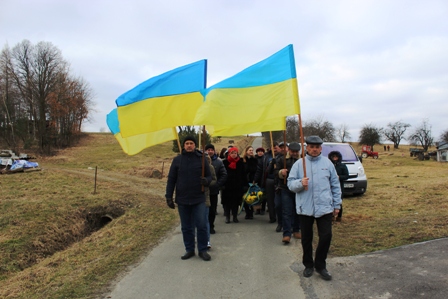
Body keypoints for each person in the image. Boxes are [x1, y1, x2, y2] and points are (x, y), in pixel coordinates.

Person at [287, 136, 342, 281]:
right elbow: (290, 184)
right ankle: (308, 265)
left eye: (317, 147)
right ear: (306, 148)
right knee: (306, 238)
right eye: (311, 146)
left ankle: (320, 265)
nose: (314, 149)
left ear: (321, 148)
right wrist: (300, 182)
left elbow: (335, 185)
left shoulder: (327, 163)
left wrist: (337, 205)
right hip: (305, 208)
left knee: (326, 236)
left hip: (325, 207)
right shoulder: (299, 164)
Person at [165, 135, 213, 261]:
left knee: (201, 225)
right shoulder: (177, 160)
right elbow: (171, 179)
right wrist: (168, 196)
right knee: (186, 227)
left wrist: (205, 181)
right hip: (183, 199)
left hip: (198, 198)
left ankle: (202, 250)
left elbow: (209, 176)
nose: (189, 145)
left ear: (195, 145)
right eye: (187, 143)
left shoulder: (202, 159)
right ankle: (189, 249)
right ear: (184, 145)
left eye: (191, 143)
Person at [274, 142, 302, 244]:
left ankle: (296, 230)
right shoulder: (282, 160)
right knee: (286, 211)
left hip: (298, 189)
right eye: (292, 151)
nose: (294, 153)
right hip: (285, 188)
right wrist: (281, 172)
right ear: (289, 151)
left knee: (298, 210)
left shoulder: (302, 161)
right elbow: (275, 172)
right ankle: (286, 234)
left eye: (296, 151)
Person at [254, 142, 281, 222]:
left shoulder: (282, 156)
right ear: (270, 148)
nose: (275, 148)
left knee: (278, 201)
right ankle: (272, 217)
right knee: (270, 200)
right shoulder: (265, 157)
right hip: (269, 180)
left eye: (276, 147)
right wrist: (255, 180)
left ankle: (280, 218)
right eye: (273, 147)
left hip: (279, 181)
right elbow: (260, 170)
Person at [205, 144, 228, 234]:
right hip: (201, 191)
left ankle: (211, 226)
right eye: (208, 149)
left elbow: (224, 174)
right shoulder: (200, 161)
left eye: (211, 150)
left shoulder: (218, 162)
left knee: (212, 210)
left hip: (213, 191)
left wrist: (217, 184)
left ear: (214, 151)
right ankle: (203, 226)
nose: (210, 151)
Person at [222, 147, 247, 224]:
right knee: (227, 202)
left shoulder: (240, 163)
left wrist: (245, 184)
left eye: (235, 153)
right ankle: (227, 217)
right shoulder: (225, 162)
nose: (233, 155)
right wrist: (222, 184)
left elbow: (244, 174)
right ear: (229, 154)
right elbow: (221, 174)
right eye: (232, 153)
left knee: (235, 202)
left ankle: (235, 216)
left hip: (237, 186)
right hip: (227, 186)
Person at [328, 151, 349, 222]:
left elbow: (346, 176)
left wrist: (339, 177)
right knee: (330, 201)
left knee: (339, 201)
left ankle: (339, 217)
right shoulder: (329, 165)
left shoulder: (342, 166)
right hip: (330, 186)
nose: (334, 158)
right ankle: (331, 216)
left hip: (340, 185)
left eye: (336, 157)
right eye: (333, 157)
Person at [204, 154, 217, 249]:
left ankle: (206, 240)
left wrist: (207, 183)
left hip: (206, 196)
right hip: (192, 196)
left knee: (205, 219)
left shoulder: (210, 167)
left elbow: (214, 179)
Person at [242, 145, 258, 219]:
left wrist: (255, 179)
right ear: (246, 151)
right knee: (245, 197)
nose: (251, 151)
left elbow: (256, 170)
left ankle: (251, 212)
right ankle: (247, 212)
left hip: (252, 180)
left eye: (252, 150)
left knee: (252, 197)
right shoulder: (243, 160)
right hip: (245, 180)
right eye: (250, 150)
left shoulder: (255, 160)